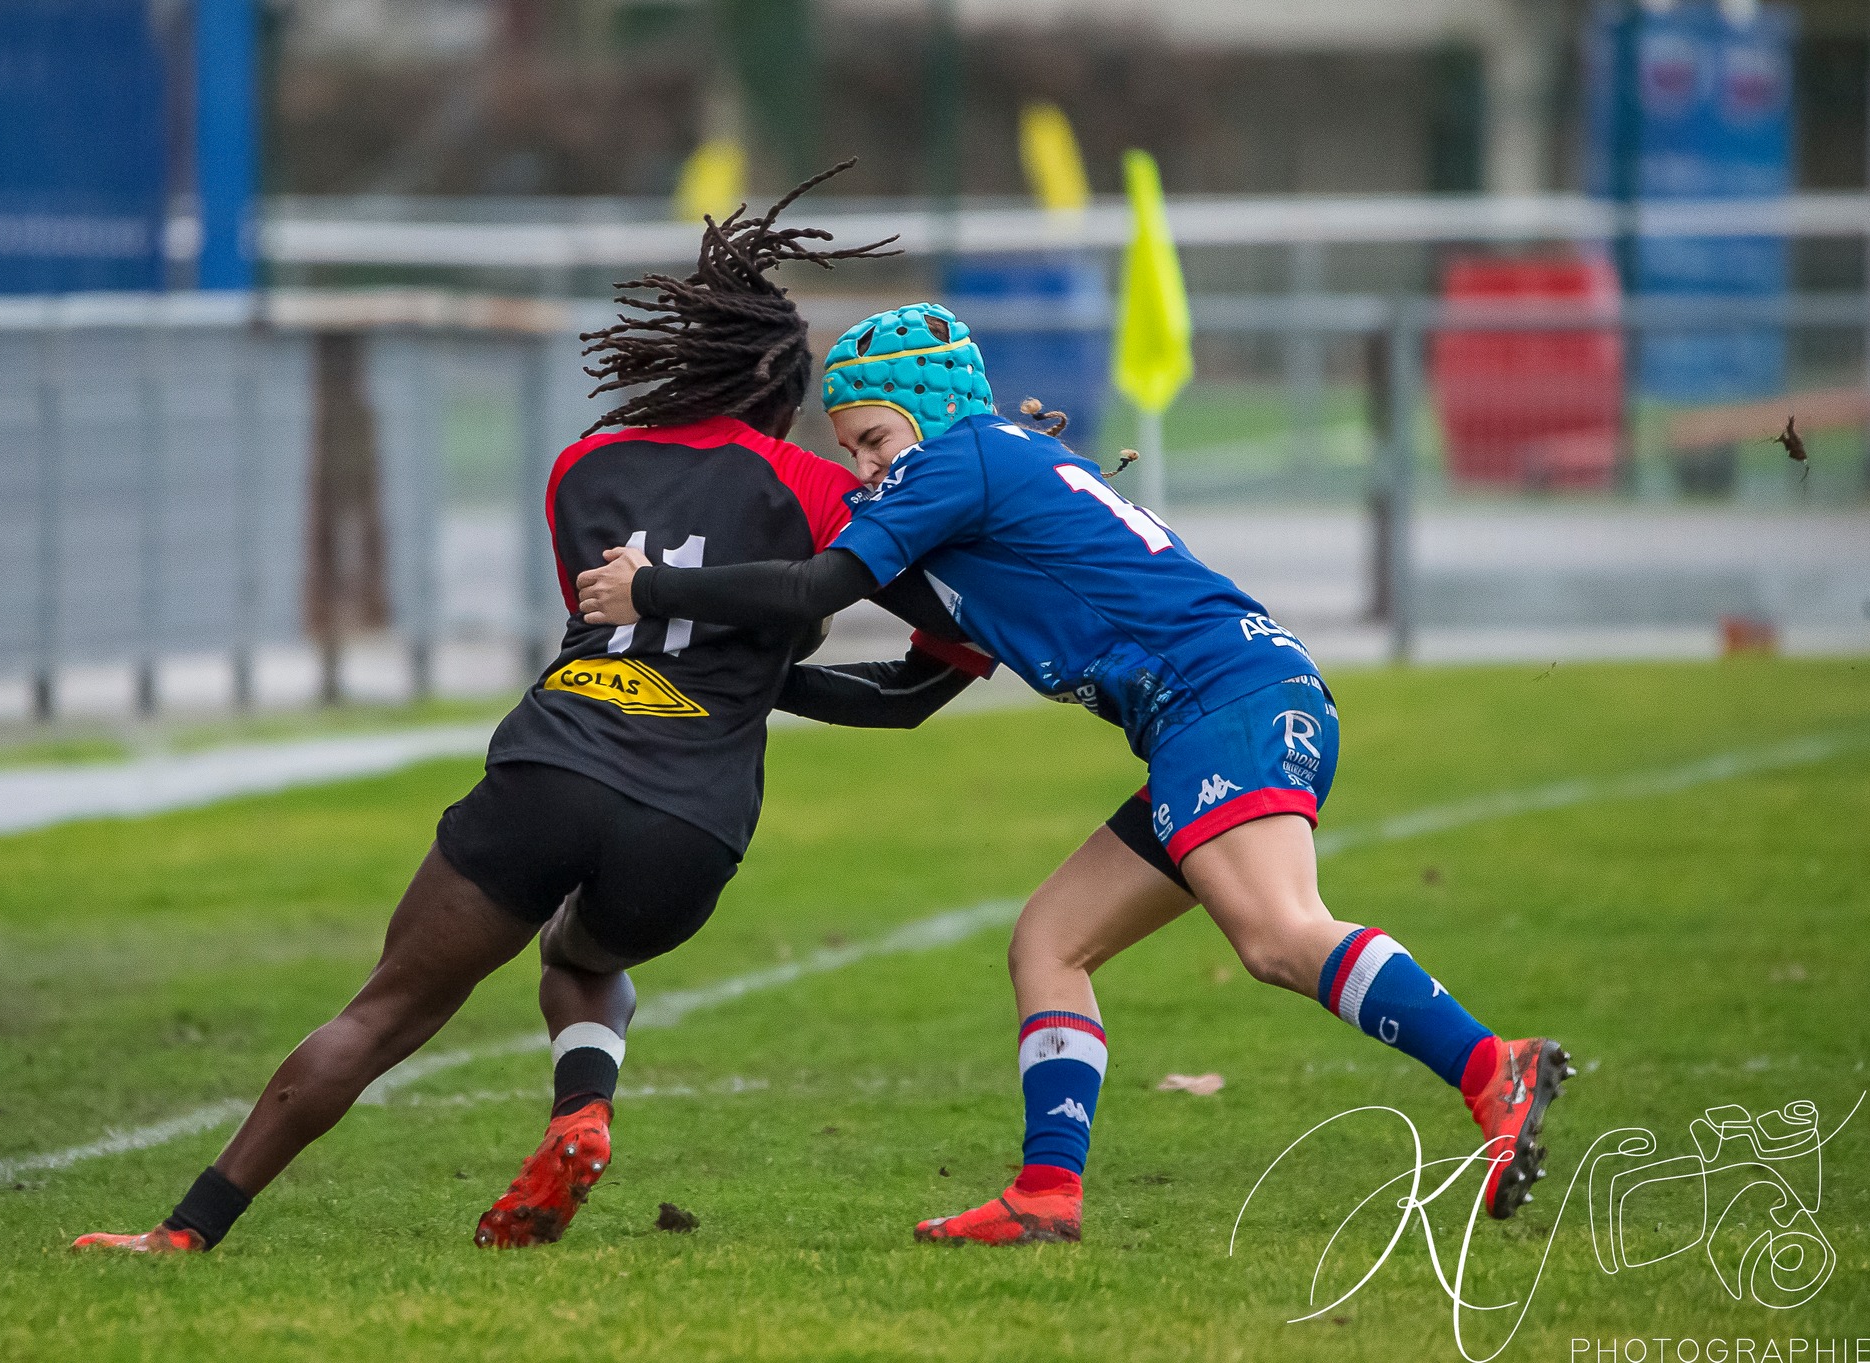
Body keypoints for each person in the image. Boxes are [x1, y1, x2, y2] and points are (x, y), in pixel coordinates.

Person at [71, 170, 989, 1255]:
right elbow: (932, 627)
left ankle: (186, 1230)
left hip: (550, 767)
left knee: (381, 1012)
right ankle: (579, 1112)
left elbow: (605, 624)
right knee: (581, 957)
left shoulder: (580, 469)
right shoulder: (819, 488)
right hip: (690, 820)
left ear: (677, 364)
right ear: (780, 400)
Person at [575, 302, 1575, 1246]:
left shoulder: (960, 457)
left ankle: (1493, 1065)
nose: (863, 468)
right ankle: (1045, 1192)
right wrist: (744, 685)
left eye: (872, 439)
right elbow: (906, 694)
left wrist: (652, 589)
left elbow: (818, 584)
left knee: (1275, 934)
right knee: (1050, 943)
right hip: (1215, 706)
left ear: (929, 407)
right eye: (849, 451)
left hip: (1222, 698)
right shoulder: (980, 504)